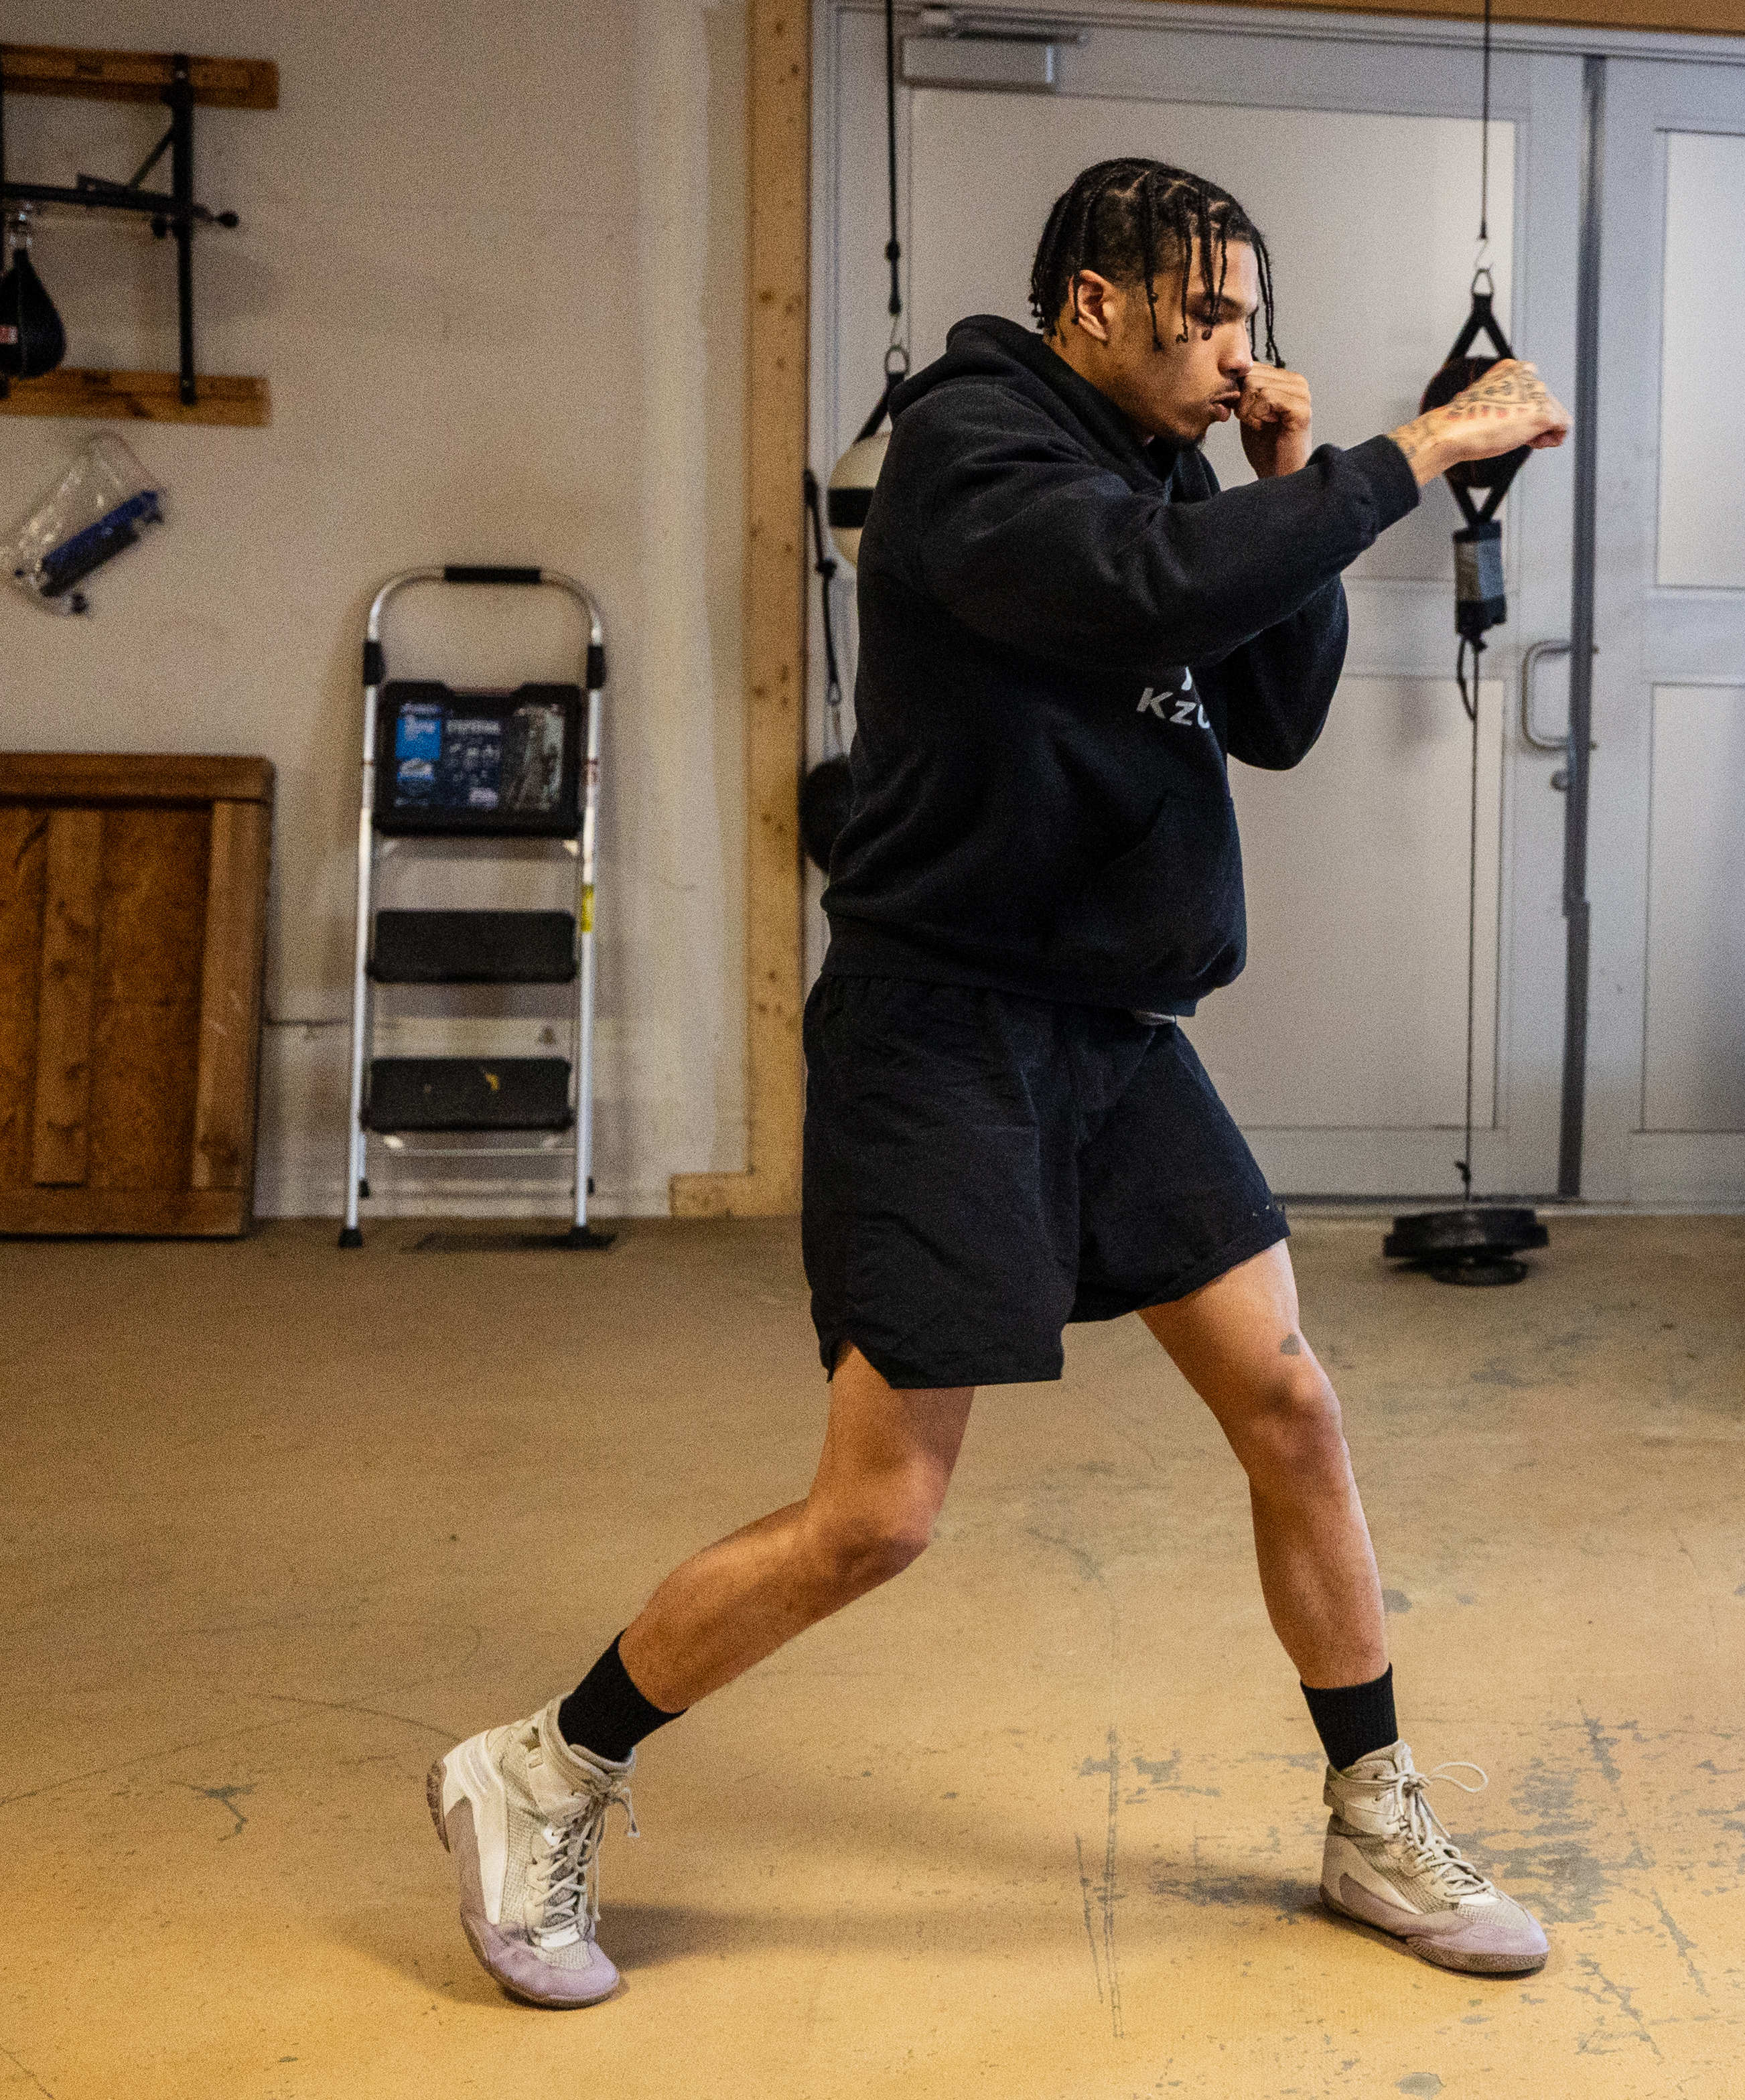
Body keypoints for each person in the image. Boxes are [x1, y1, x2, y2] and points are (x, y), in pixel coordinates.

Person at [426, 156, 1571, 2008]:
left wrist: (1292, 476)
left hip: (1116, 1040)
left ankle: (1373, 1808)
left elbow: (1269, 712)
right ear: (1092, 308)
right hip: (943, 1034)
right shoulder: (972, 450)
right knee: (879, 1515)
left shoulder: (1168, 475)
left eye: (1249, 322)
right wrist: (1404, 454)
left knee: (1292, 1409)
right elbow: (1144, 597)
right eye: (1204, 318)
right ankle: (542, 1764)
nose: (1232, 354)